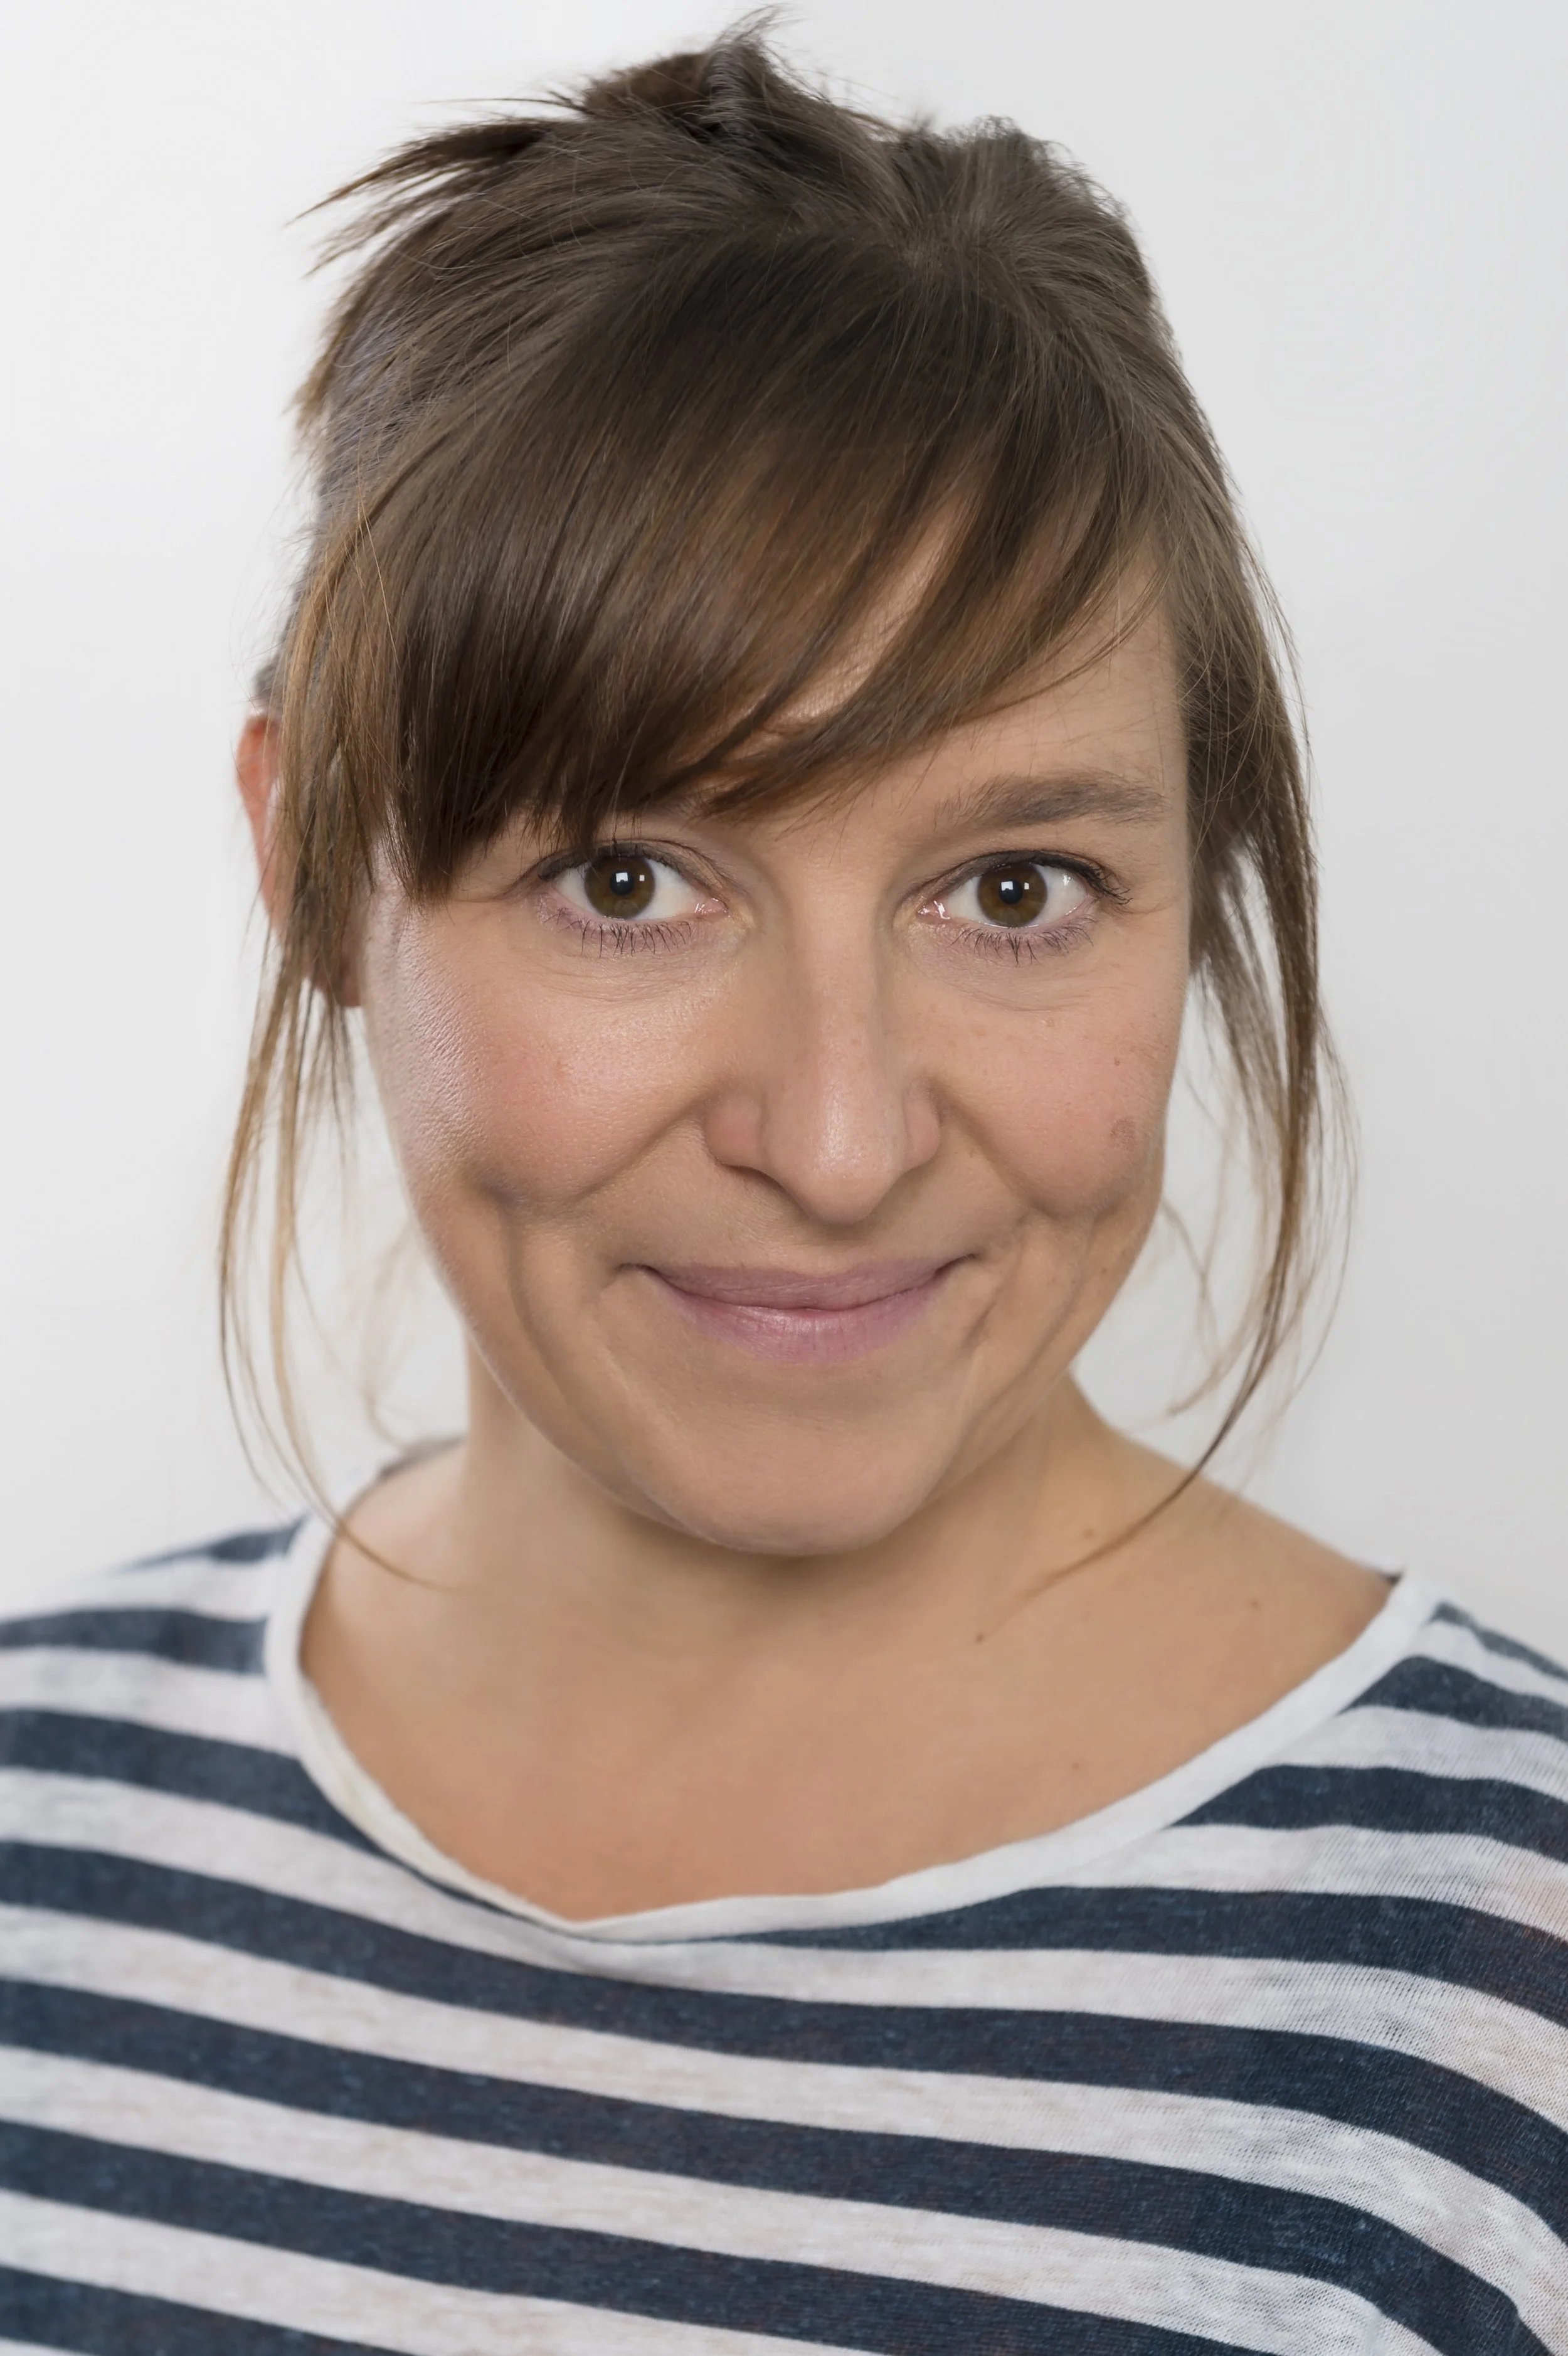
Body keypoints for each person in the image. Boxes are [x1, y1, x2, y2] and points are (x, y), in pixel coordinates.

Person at [2, 30, 1564, 2352]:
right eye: (629, 877)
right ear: (309, 861)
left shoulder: (1507, 1982)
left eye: (1012, 886)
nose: (837, 1142)